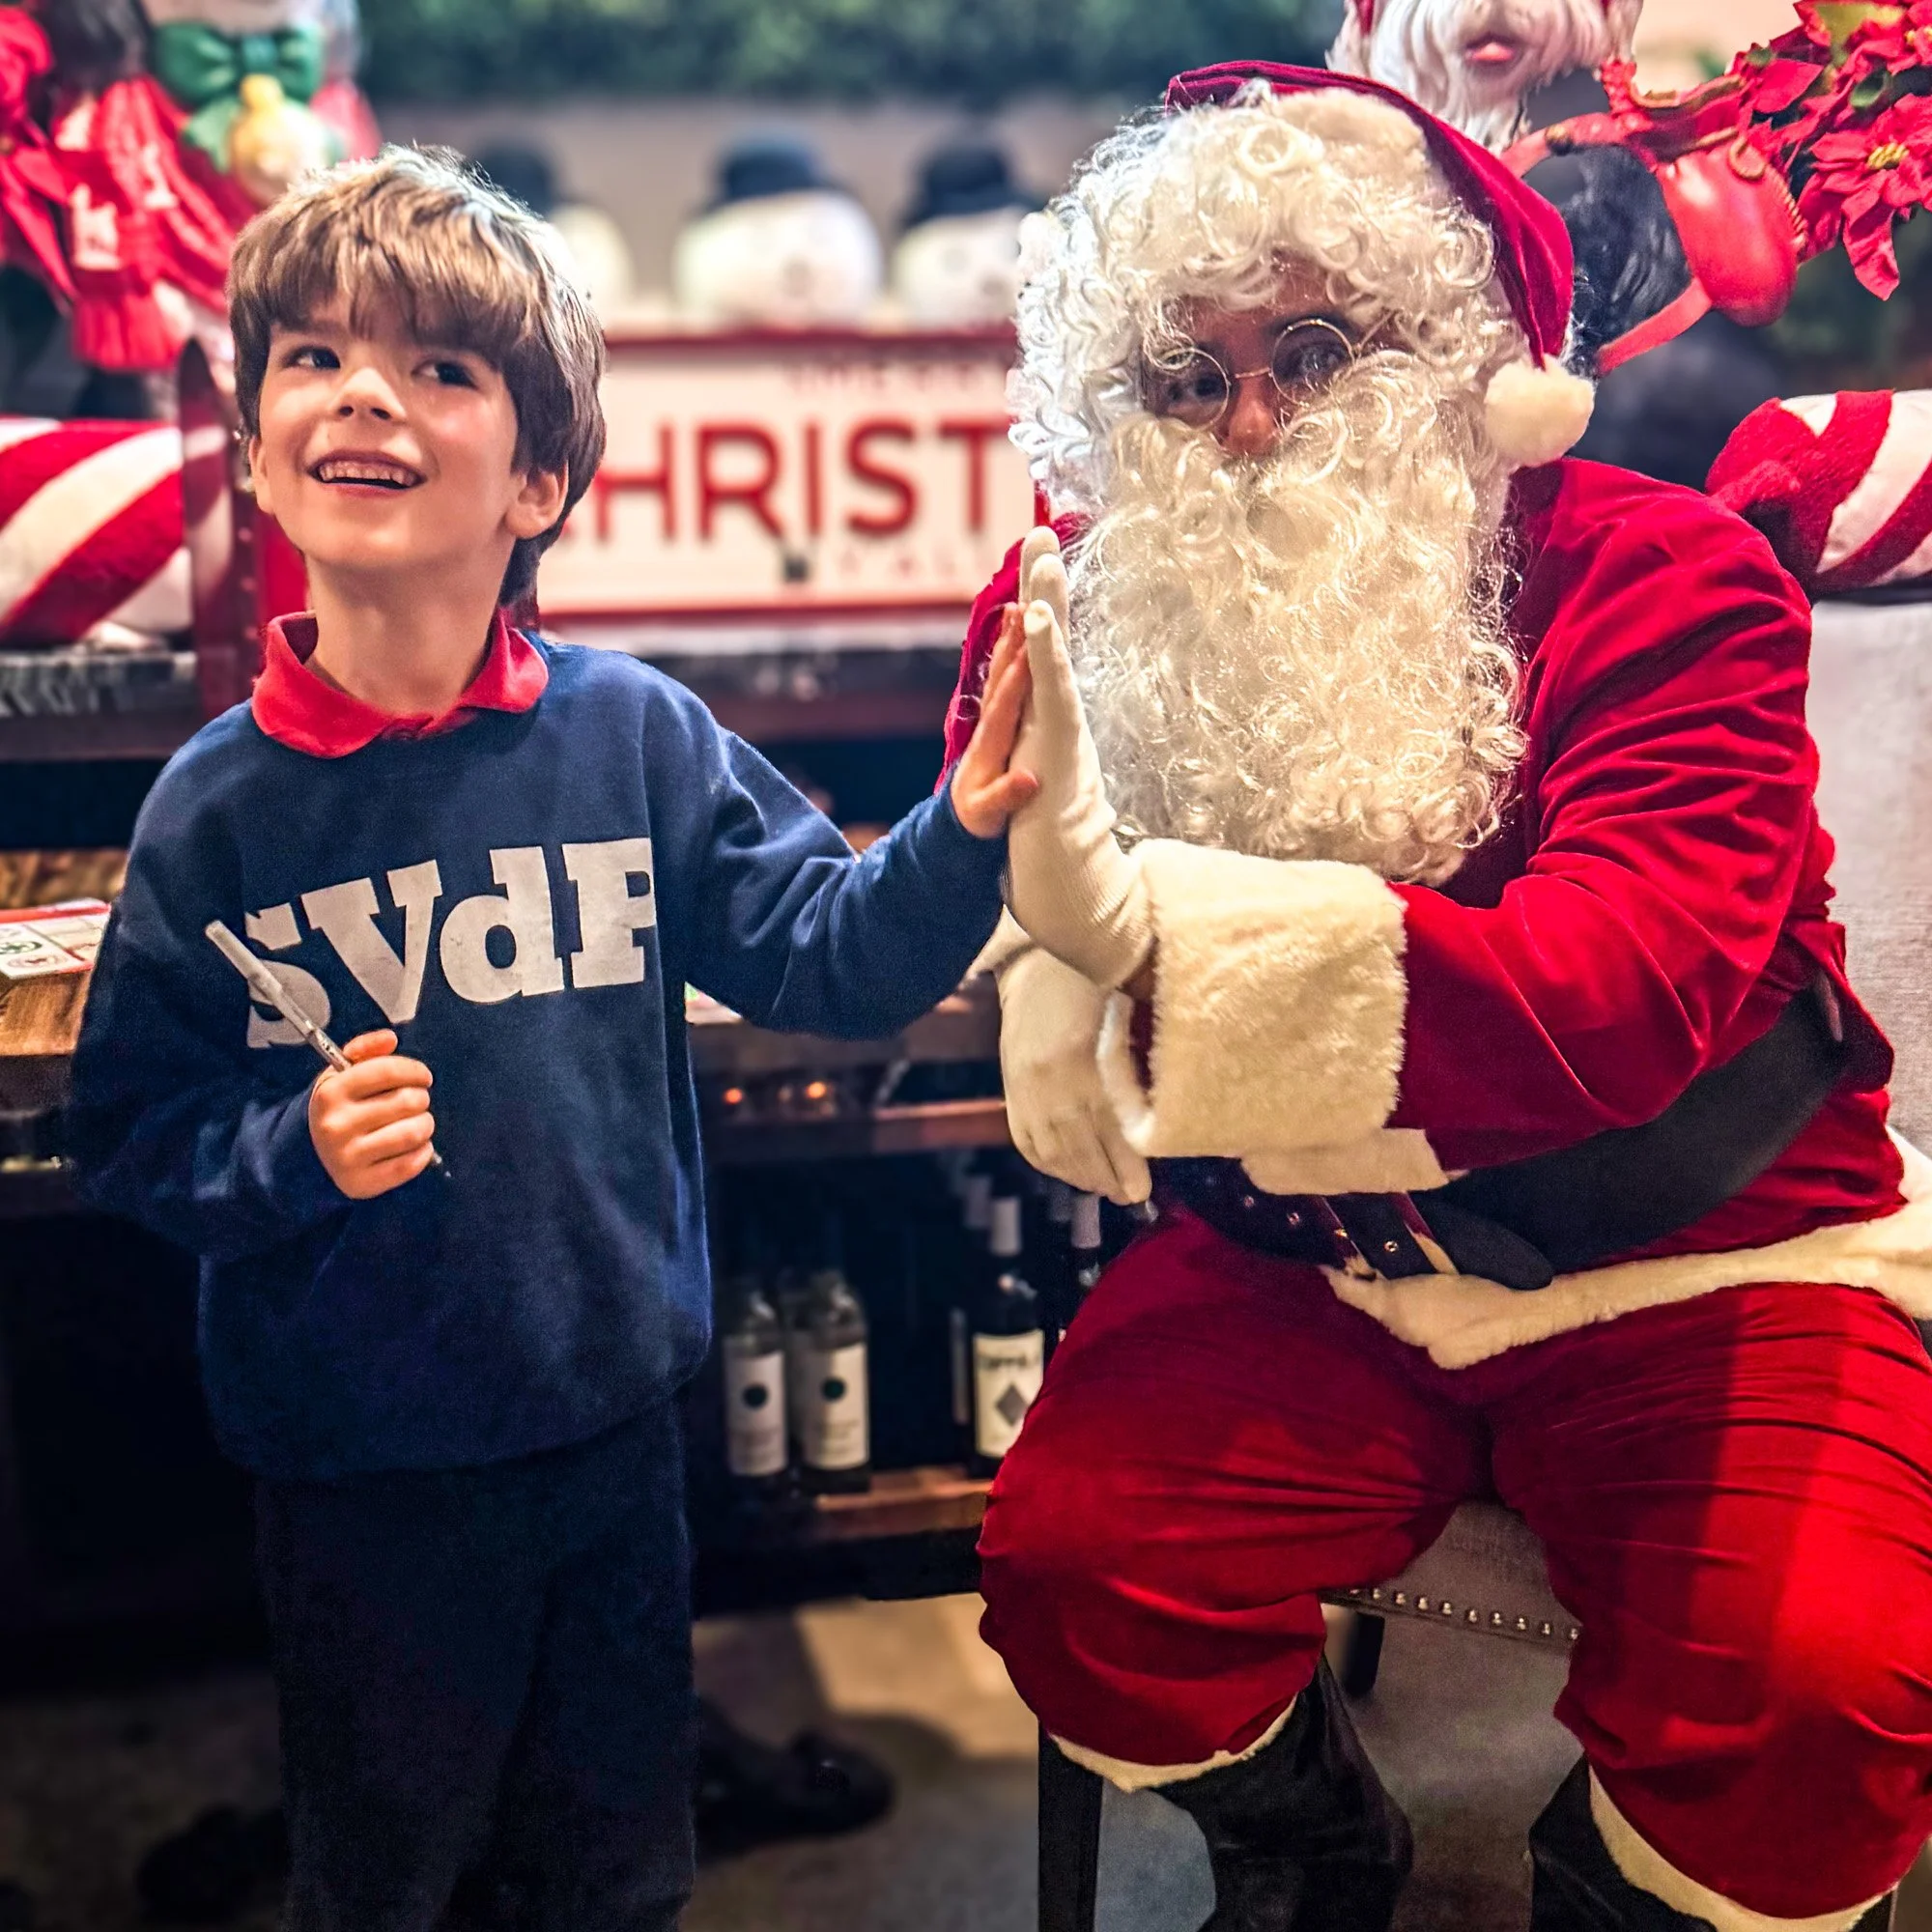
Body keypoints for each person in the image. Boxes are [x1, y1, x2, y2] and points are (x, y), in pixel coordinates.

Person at [947, 65, 1932, 1932]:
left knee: (1814, 1688)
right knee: (1082, 1569)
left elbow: (1621, 986)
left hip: (1703, 1253)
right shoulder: (1085, 602)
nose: (1245, 419)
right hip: (1309, 1254)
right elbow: (1018, 885)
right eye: (1185, 367)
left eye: (1314, 347)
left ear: (1463, 358)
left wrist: (1148, 958)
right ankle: (1309, 1839)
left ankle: (1625, 1877)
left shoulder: (1668, 581)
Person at [66, 146, 1035, 1932]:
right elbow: (132, 1133)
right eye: (315, 359)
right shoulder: (212, 812)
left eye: (441, 367)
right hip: (355, 1466)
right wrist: (291, 1154)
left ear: (542, 477)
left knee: (615, 1859)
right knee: (395, 1863)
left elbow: (829, 957)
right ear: (259, 444)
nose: (367, 393)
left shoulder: (637, 737)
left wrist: (962, 828)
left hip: (610, 1426)